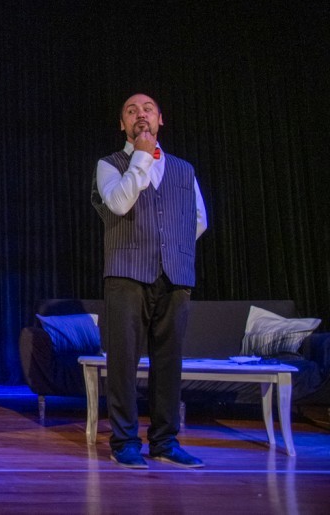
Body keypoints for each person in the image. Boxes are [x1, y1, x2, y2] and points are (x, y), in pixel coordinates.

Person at [91, 93, 208, 469]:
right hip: (126, 273)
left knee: (169, 362)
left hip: (175, 274)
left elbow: (199, 220)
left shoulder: (183, 170)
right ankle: (125, 441)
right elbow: (118, 203)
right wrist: (140, 157)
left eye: (147, 109)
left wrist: (172, 249)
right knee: (123, 361)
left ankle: (164, 441)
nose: (140, 114)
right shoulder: (109, 164)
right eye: (131, 111)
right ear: (122, 124)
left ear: (160, 119)